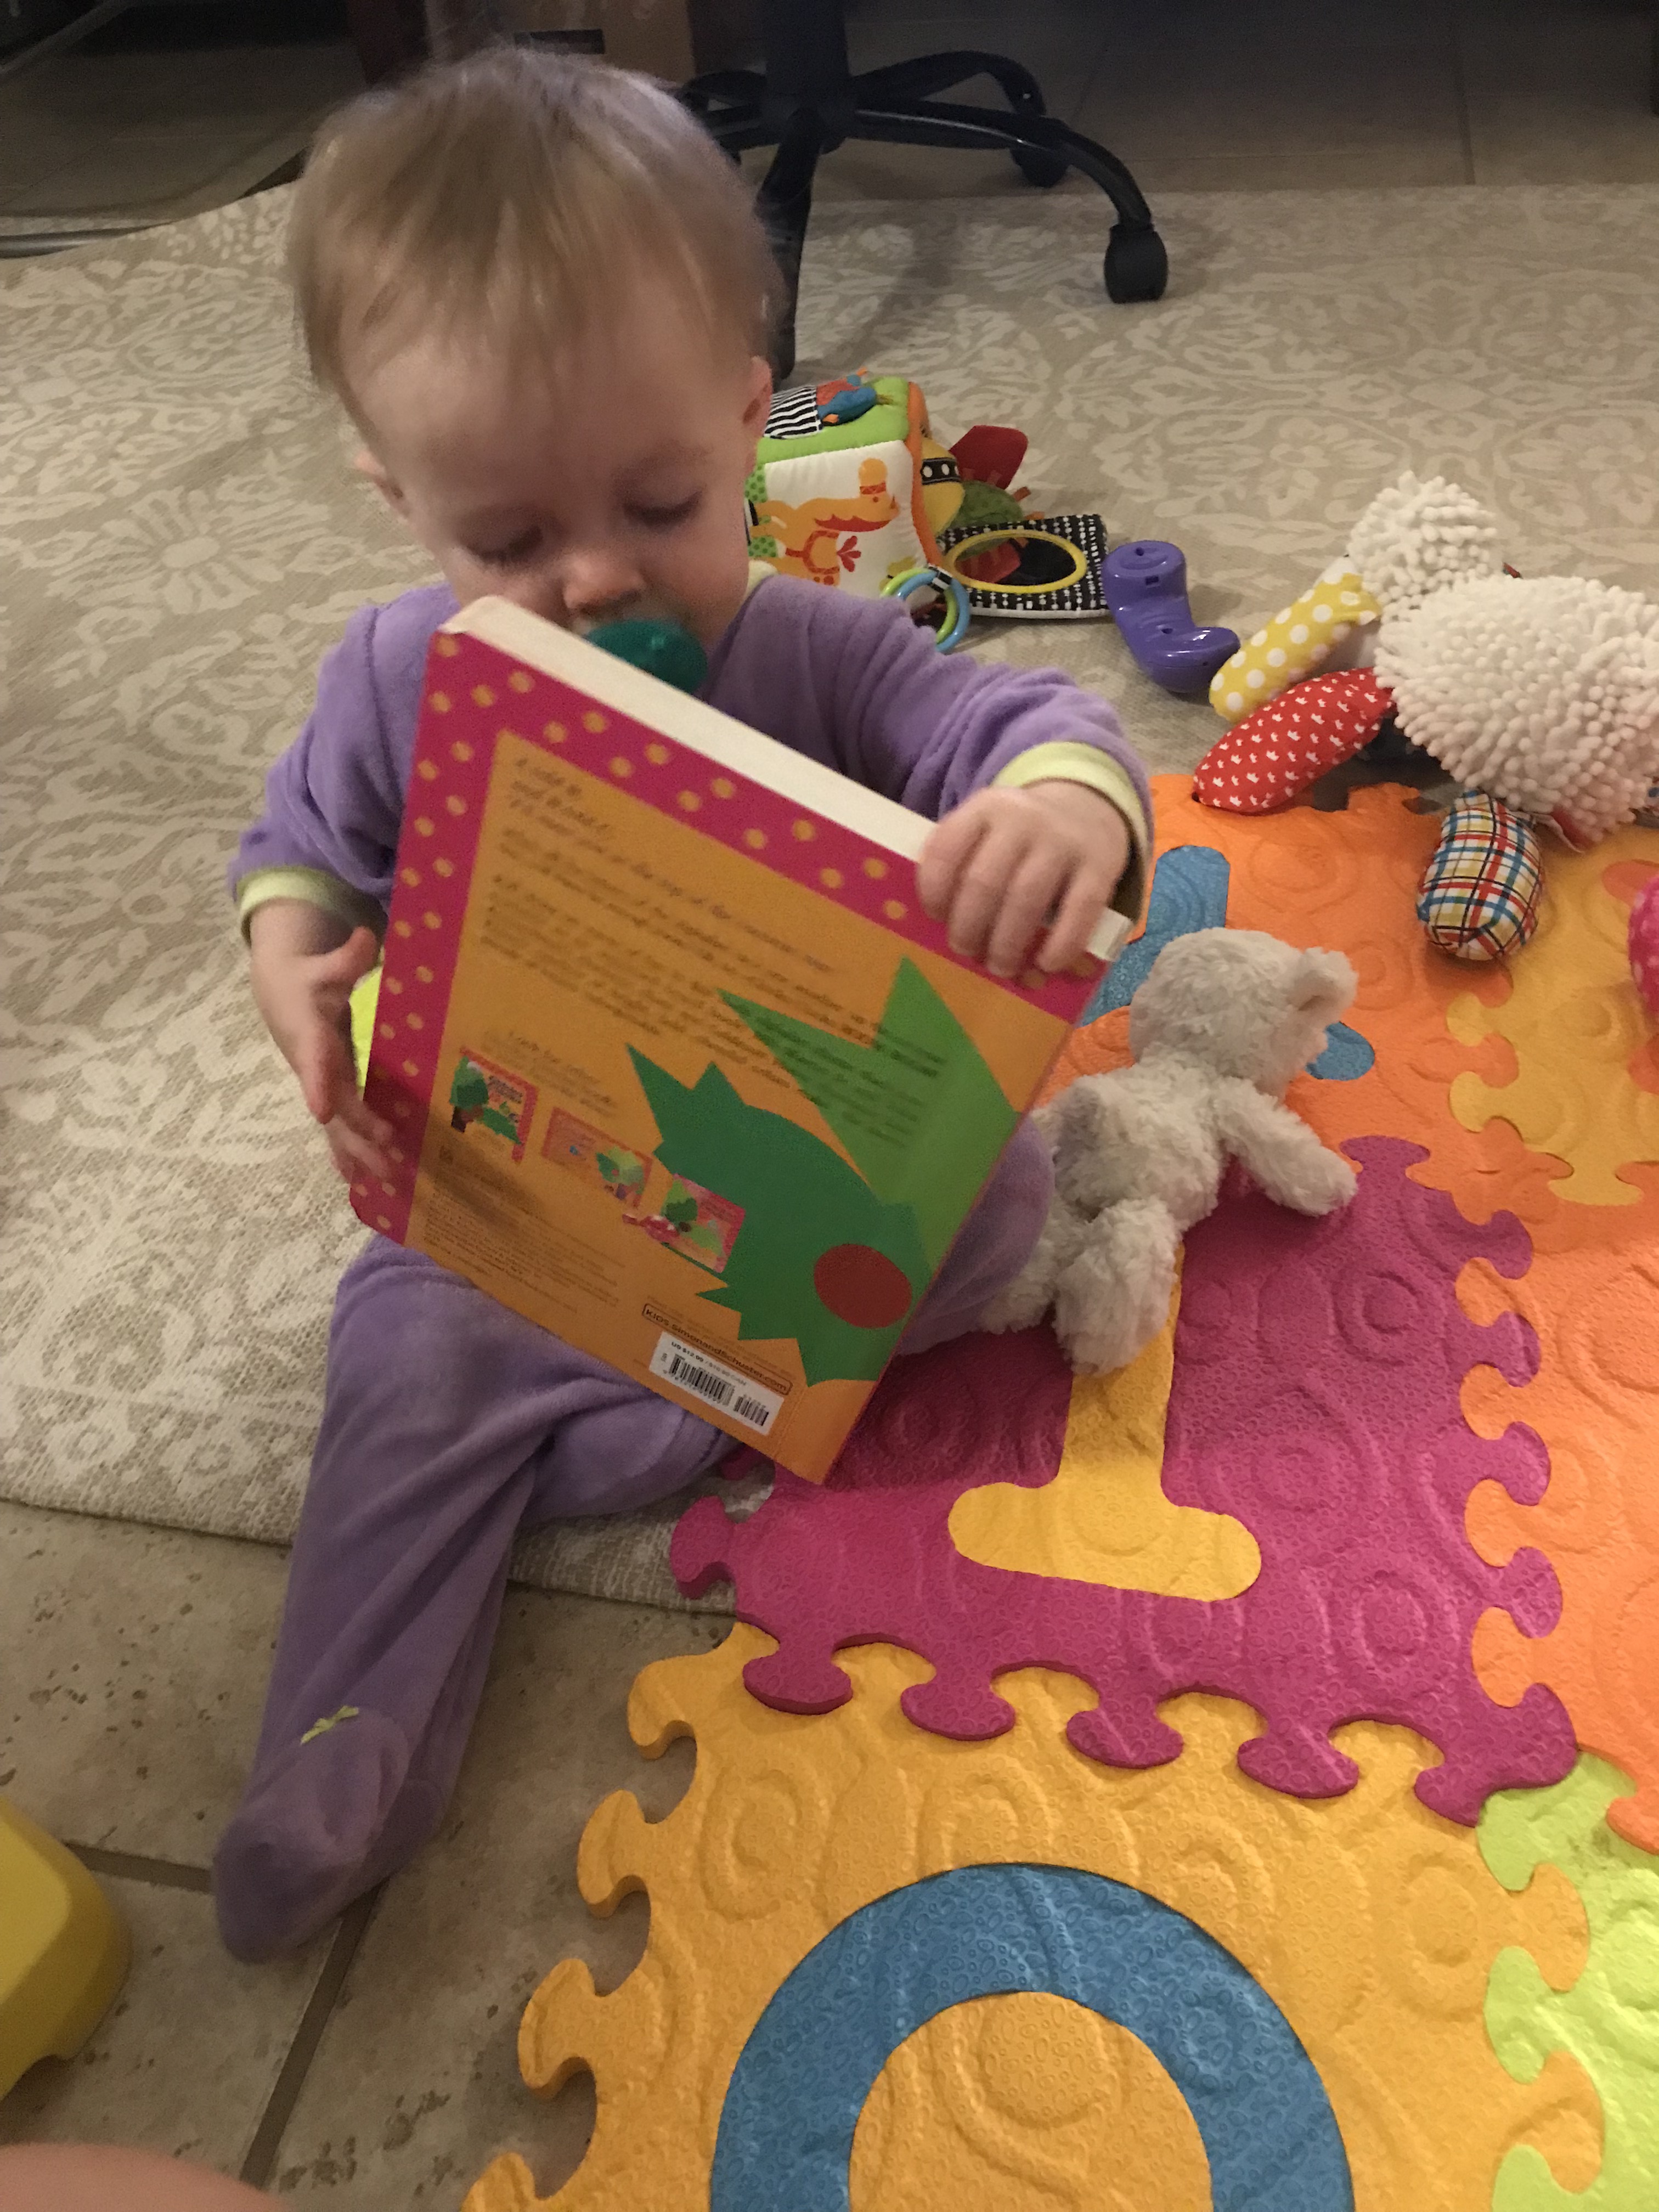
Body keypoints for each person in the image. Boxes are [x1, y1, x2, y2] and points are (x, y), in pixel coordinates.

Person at [219, 44, 1152, 1963]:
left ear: (747, 418)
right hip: (530, 1181)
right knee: (399, 1351)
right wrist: (293, 969)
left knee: (997, 1210)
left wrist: (1064, 811)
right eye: (502, 542)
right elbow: (301, 850)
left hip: (798, 1203)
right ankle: (347, 1730)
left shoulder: (819, 647)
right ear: (399, 499)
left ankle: (646, 1416)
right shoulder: (399, 674)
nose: (590, 579)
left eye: (660, 501)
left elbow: (1034, 718)